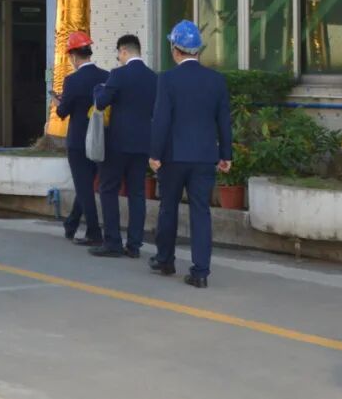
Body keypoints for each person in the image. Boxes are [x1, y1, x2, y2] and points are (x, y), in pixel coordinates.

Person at [150, 20, 233, 289]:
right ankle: (200, 272)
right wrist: (225, 154)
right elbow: (224, 121)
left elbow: (161, 120)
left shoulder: (167, 79)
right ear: (199, 50)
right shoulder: (216, 80)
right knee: (201, 211)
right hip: (205, 156)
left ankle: (165, 260)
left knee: (168, 208)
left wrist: (155, 153)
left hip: (173, 156)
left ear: (175, 50)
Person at [90, 34, 158, 259]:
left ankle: (112, 242)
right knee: (137, 192)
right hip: (143, 143)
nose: (118, 58)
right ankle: (134, 245)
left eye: (118, 54)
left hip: (118, 143)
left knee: (108, 189)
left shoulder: (118, 75)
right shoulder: (153, 77)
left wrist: (98, 89)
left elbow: (101, 102)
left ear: (124, 51)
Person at [53, 32, 108, 246]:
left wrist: (58, 103)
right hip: (99, 139)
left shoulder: (72, 81)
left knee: (84, 187)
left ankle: (94, 233)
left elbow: (63, 112)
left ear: (74, 56)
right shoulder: (106, 76)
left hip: (78, 141)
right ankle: (72, 223)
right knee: (85, 184)